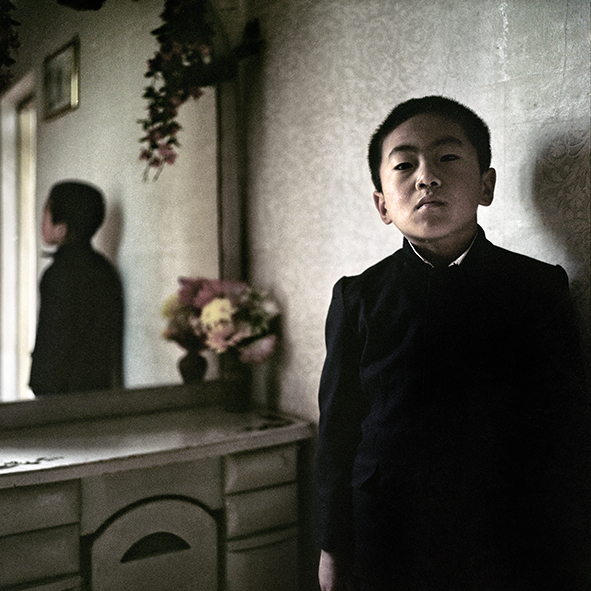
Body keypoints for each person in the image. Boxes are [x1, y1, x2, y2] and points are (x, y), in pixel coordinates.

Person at [314, 96, 591, 591]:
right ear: (382, 204)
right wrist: (333, 547)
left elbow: (564, 427)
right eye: (404, 165)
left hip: (506, 535)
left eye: (447, 157)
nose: (427, 177)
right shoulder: (358, 298)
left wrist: (567, 550)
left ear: (486, 185)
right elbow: (338, 433)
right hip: (387, 534)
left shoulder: (536, 288)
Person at [29, 180, 123, 396]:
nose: (42, 222)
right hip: (99, 391)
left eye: (46, 213)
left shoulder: (58, 273)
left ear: (62, 228)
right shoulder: (104, 268)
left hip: (61, 398)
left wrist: (40, 389)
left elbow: (54, 344)